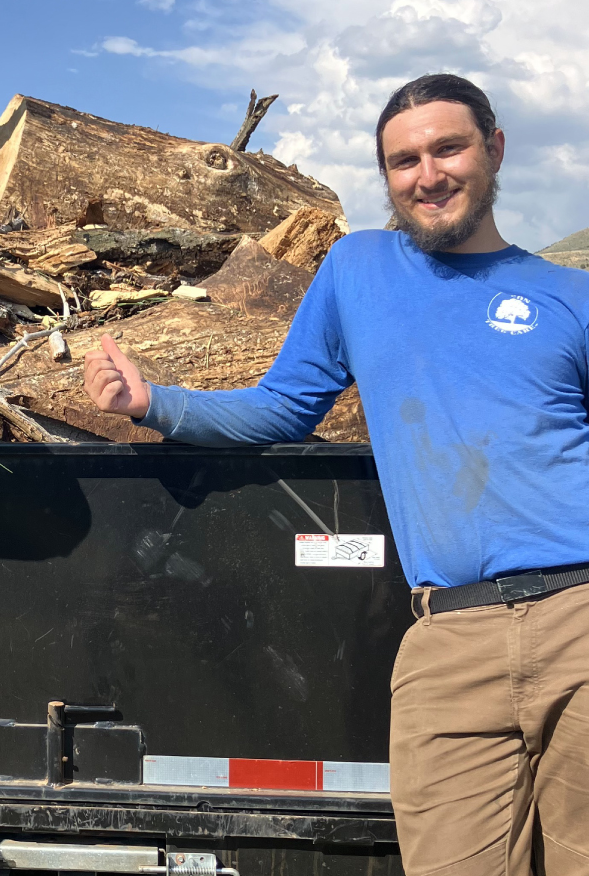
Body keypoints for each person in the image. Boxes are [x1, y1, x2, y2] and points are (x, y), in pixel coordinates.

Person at [83, 74, 589, 876]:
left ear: (493, 149)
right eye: (404, 160)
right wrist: (155, 403)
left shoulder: (572, 295)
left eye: (449, 148)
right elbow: (285, 406)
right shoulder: (357, 271)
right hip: (450, 633)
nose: (429, 174)